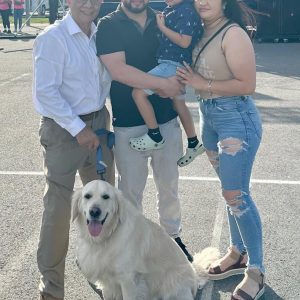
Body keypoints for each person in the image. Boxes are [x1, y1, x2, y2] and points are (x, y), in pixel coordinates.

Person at [177, 0, 264, 299]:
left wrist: (203, 82)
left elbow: (247, 84)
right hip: (209, 119)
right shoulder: (197, 30)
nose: (202, 1)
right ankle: (236, 253)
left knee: (235, 195)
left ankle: (256, 271)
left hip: (235, 120)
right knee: (231, 190)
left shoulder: (232, 33)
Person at [96, 0, 194, 262]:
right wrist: (165, 84)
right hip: (128, 122)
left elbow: (187, 49)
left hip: (166, 120)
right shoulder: (108, 24)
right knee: (129, 192)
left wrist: (184, 78)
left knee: (169, 187)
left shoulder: (166, 17)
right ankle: (128, 245)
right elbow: (119, 71)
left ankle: (172, 240)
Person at [32, 0, 114, 298]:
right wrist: (79, 129)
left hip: (99, 126)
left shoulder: (100, 35)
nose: (89, 4)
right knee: (58, 211)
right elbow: (45, 93)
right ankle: (52, 290)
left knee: (104, 208)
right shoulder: (52, 38)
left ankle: (103, 274)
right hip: (65, 131)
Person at [129, 0, 204, 168]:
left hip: (172, 64)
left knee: (138, 93)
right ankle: (193, 143)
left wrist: (162, 28)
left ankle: (155, 136)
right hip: (178, 64)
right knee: (179, 104)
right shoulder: (175, 9)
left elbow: (185, 41)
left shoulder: (185, 10)